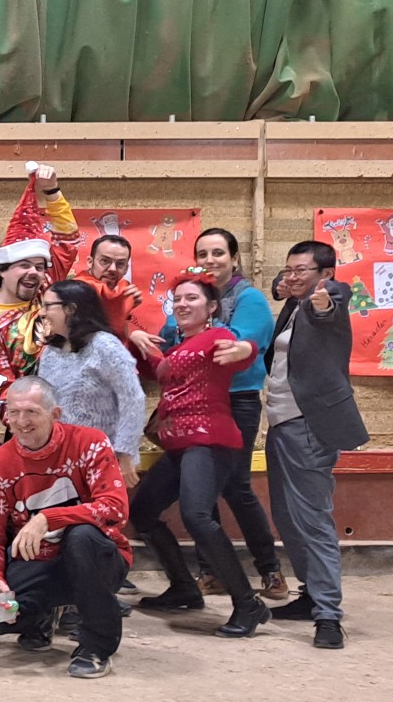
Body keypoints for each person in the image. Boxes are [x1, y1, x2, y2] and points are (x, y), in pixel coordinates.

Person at [131, 274, 271, 637]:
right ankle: (184, 587)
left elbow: (241, 352)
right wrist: (133, 335)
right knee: (141, 513)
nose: (182, 304)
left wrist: (245, 349)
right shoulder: (178, 347)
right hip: (179, 447)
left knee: (196, 515)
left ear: (211, 307)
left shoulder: (217, 337)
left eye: (191, 298)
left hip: (209, 442)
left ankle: (248, 603)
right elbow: (154, 368)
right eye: (177, 299)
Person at [153, 227, 288, 600]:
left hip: (236, 401)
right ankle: (210, 573)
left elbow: (237, 344)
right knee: (200, 491)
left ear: (234, 258)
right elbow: (170, 336)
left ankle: (270, 570)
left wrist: (213, 337)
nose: (210, 260)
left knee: (235, 486)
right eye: (203, 254)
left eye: (218, 253)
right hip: (192, 406)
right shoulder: (190, 296)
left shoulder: (249, 298)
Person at [0, 377, 131, 678]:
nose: (21, 422)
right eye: (14, 412)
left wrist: (48, 518)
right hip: (41, 561)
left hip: (98, 559)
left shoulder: (90, 442)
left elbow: (115, 508)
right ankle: (41, 616)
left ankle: (96, 646)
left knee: (81, 536)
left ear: (55, 414)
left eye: (31, 412)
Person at [262, 241, 368, 650]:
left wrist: (321, 299)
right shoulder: (295, 299)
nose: (292, 276)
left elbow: (333, 302)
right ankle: (310, 595)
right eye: (288, 269)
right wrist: (285, 283)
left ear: (326, 273)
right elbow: (282, 284)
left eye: (301, 270)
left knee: (312, 520)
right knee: (287, 517)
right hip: (280, 424)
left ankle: (328, 616)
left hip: (308, 426)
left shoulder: (328, 297)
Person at [0, 164, 80, 409]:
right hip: (36, 419)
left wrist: (52, 191)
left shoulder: (46, 289)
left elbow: (68, 241)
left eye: (39, 266)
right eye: (24, 265)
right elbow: (4, 396)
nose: (33, 272)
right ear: (2, 270)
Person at [38, 281, 147, 485]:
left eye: (48, 306)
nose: (42, 312)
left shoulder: (104, 345)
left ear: (70, 309)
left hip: (104, 458)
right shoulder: (51, 351)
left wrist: (125, 453)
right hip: (60, 459)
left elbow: (133, 398)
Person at [78, 234, 149, 352]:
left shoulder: (123, 289)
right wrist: (123, 305)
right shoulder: (78, 288)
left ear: (126, 269)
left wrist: (126, 310)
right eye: (105, 261)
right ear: (90, 262)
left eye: (120, 264)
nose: (112, 269)